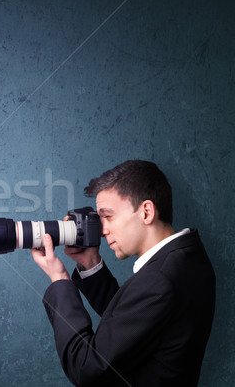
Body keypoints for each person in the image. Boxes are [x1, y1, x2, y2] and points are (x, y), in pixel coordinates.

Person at [31, 160, 215, 386]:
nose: (103, 230)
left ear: (146, 212)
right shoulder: (188, 256)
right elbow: (135, 322)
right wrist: (91, 263)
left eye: (108, 216)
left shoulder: (158, 280)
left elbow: (86, 367)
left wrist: (59, 279)